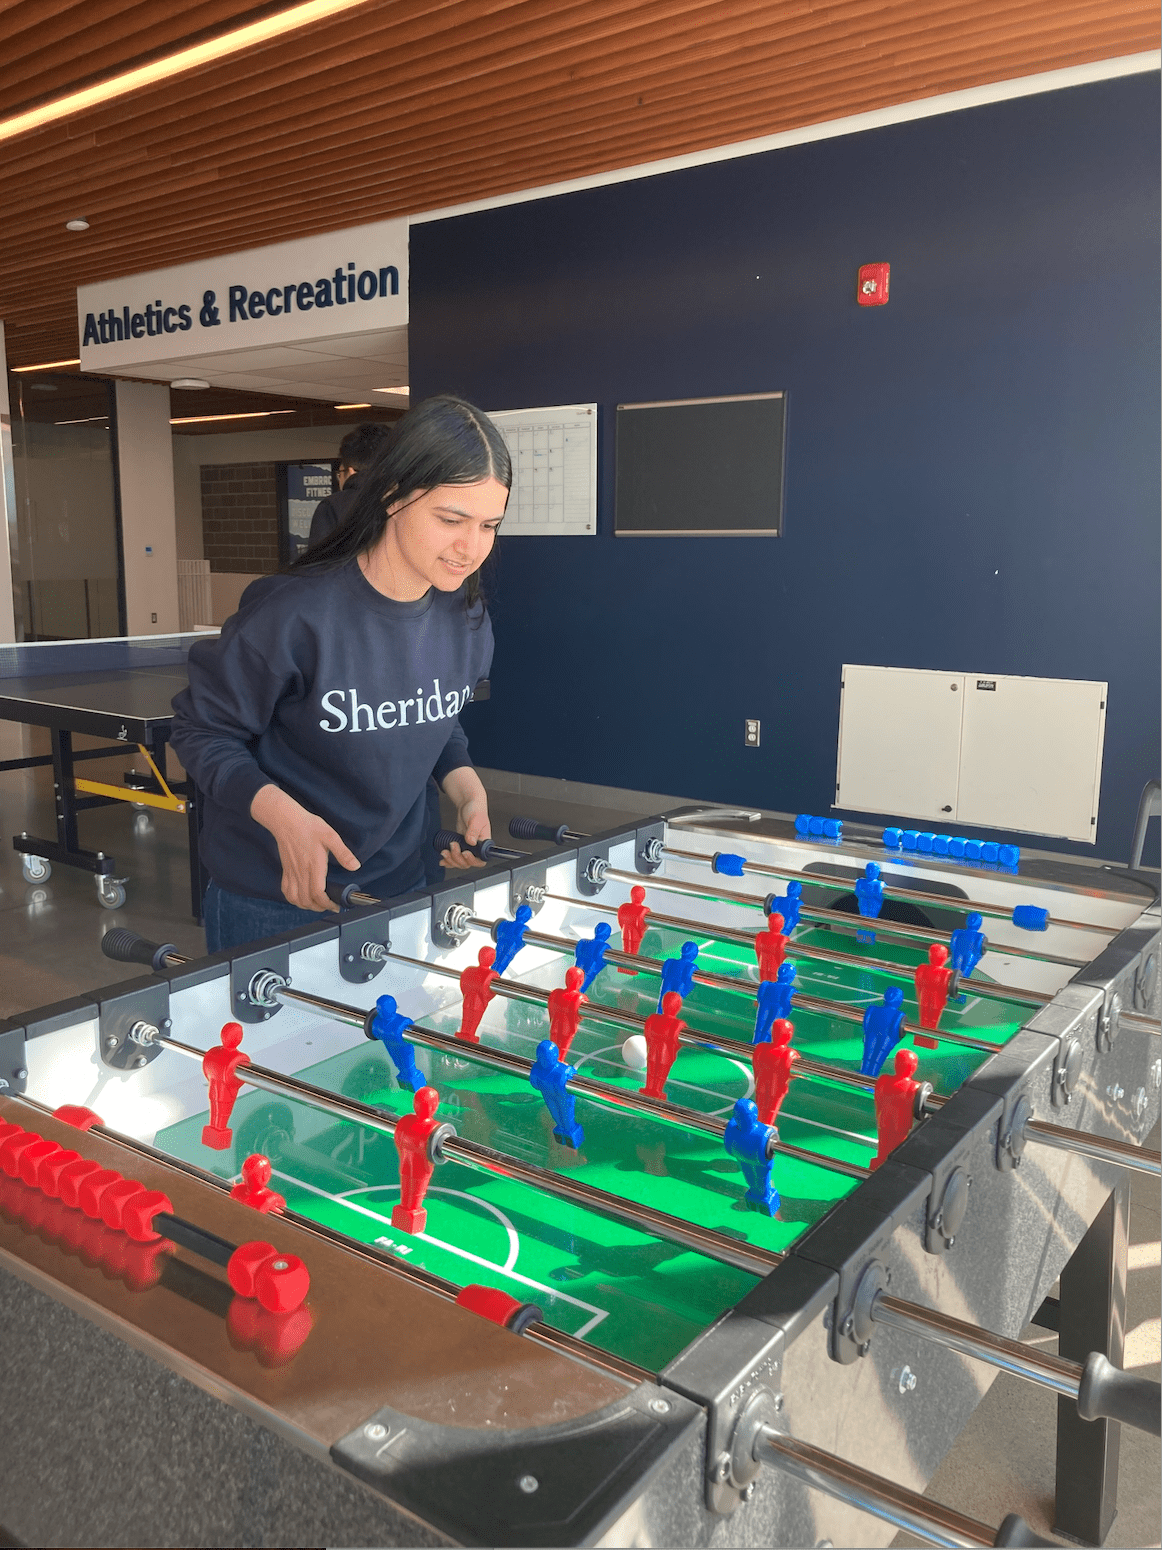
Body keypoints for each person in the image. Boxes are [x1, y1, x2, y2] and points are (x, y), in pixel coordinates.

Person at [170, 395, 509, 953]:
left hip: (404, 887)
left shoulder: (467, 617)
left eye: (488, 525)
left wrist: (467, 791)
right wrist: (283, 816)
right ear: (392, 495)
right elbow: (203, 732)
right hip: (275, 899)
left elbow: (438, 716)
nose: (469, 547)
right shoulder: (292, 613)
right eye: (450, 519)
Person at [307, 422, 394, 547]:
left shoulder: (333, 506)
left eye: (340, 474)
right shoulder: (406, 500)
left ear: (350, 471)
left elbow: (319, 561)